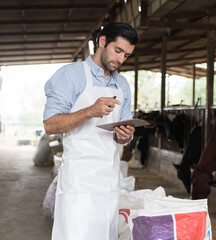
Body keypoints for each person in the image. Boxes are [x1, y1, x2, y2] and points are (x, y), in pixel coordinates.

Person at [43, 22, 139, 240]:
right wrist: (90, 111)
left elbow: (121, 132)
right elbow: (50, 124)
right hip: (79, 182)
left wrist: (124, 135)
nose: (121, 59)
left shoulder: (122, 85)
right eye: (118, 51)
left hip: (109, 181)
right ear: (102, 41)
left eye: (127, 55)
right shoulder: (70, 75)